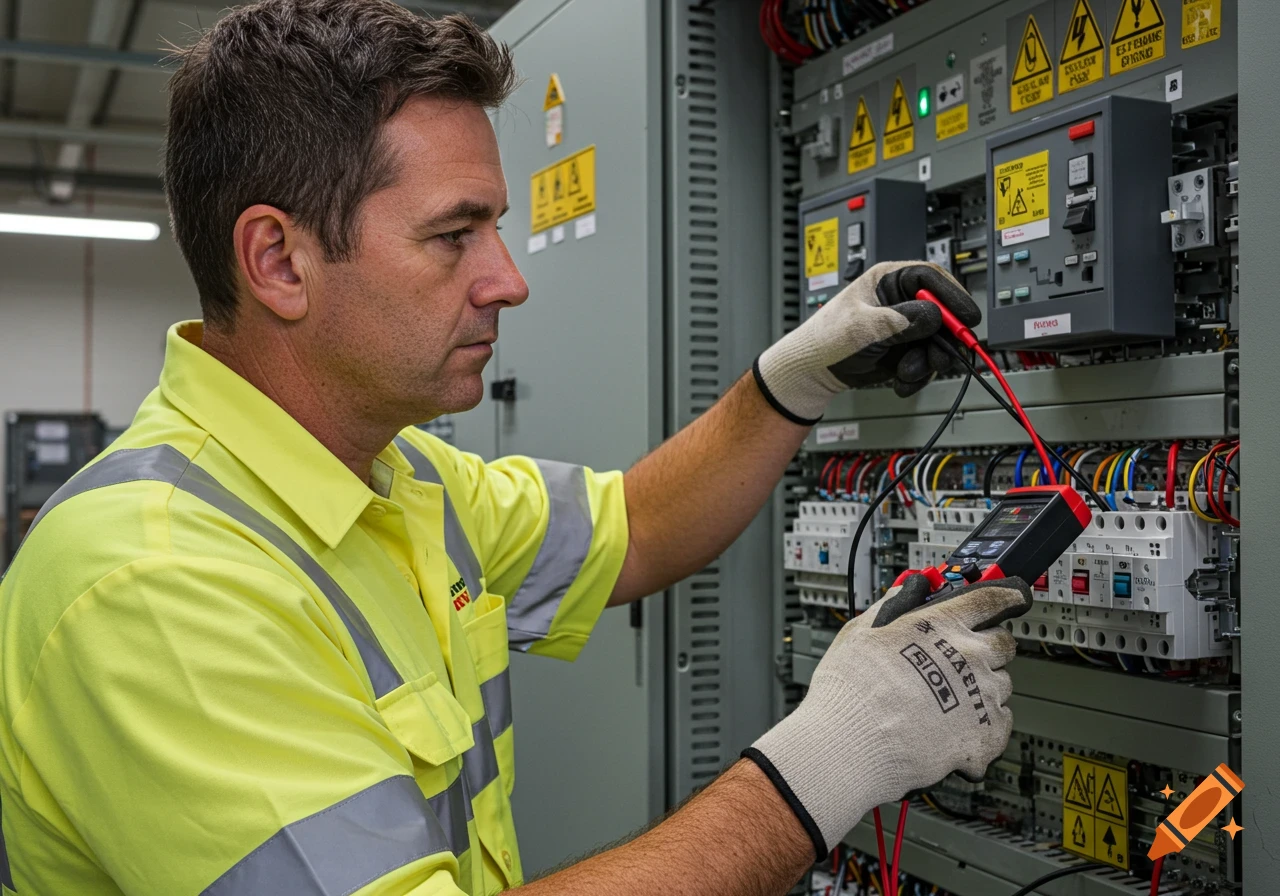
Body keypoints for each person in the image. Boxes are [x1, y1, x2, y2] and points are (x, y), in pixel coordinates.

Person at [0, 2, 1030, 894]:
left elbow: (633, 529)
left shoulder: (396, 476)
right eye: (454, 234)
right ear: (278, 259)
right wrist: (836, 748)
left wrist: (787, 383)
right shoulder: (153, 579)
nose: (507, 278)